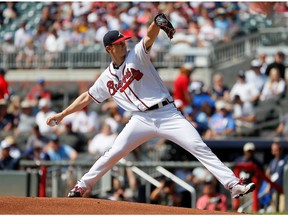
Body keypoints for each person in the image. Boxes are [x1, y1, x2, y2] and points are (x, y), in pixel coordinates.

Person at [46, 13, 256, 199]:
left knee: (199, 147)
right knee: (114, 151)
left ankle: (234, 184)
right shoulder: (106, 79)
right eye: (118, 43)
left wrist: (156, 22)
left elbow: (148, 37)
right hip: (140, 119)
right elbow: (87, 97)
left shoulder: (137, 55)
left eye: (123, 41)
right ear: (108, 49)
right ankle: (81, 187)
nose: (123, 44)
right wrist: (63, 114)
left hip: (167, 113)